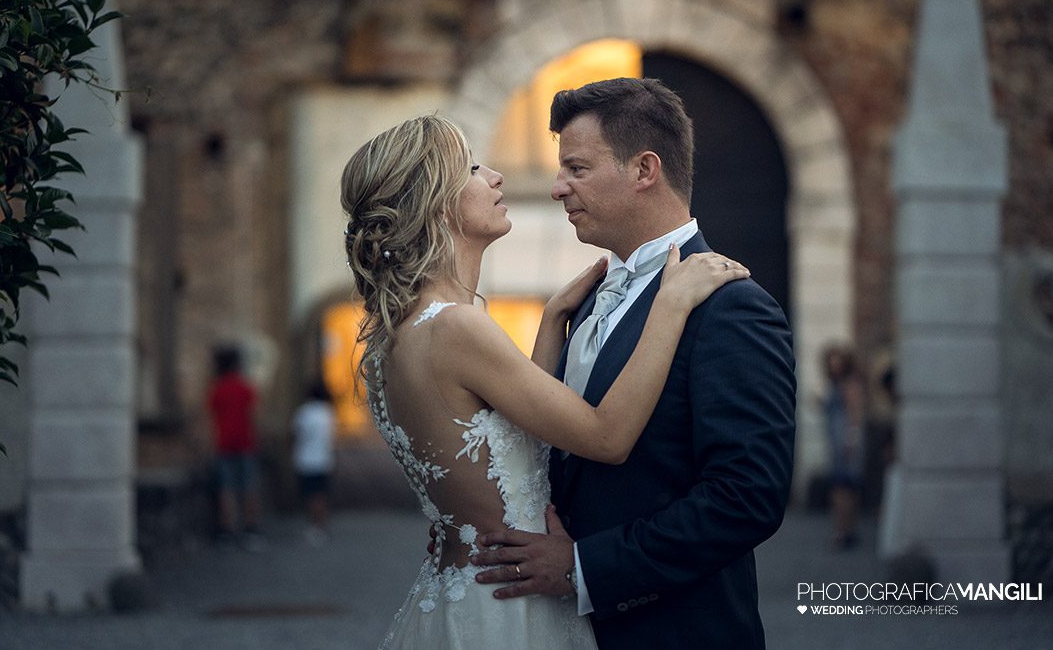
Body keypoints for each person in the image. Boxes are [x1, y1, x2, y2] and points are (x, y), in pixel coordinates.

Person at [340, 114, 750, 649]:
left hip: (458, 594)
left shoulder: (396, 336)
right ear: (435, 201)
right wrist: (670, 305)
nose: (495, 176)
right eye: (471, 167)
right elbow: (606, 436)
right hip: (510, 607)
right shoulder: (458, 327)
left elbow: (500, 432)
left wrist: (553, 320)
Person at [469, 78, 797, 650]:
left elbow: (747, 498)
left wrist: (585, 568)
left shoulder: (733, 307)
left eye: (576, 168)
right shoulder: (587, 297)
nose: (556, 188)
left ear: (644, 170)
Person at [206, 345, 265, 551]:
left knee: (227, 489)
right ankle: (251, 529)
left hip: (224, 444)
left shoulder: (217, 388)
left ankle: (228, 531)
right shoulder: (245, 387)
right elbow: (254, 415)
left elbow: (211, 417)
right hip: (246, 443)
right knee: (249, 487)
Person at [822, 343, 866, 549]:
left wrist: (852, 439)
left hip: (845, 442)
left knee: (843, 486)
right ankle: (845, 529)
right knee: (843, 486)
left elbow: (855, 413)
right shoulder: (836, 384)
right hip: (837, 439)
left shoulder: (849, 384)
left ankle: (844, 530)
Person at [292, 380, 336, 545]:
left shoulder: (304, 413)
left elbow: (296, 434)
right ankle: (321, 524)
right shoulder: (328, 412)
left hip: (306, 460)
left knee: (311, 496)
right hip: (324, 459)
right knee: (322, 494)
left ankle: (315, 525)